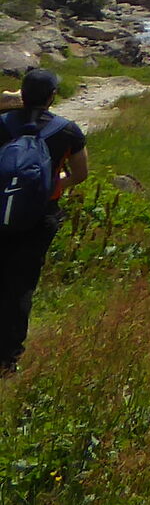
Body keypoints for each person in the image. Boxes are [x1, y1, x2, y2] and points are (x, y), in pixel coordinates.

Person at [0, 69, 86, 372]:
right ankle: (8, 358)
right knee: (20, 285)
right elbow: (80, 174)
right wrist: (53, 183)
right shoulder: (68, 131)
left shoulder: (2, 122)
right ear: (52, 96)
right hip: (39, 216)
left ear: (21, 93)